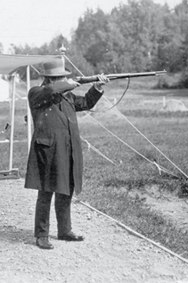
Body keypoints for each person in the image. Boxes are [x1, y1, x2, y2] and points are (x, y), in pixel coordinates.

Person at [24, 57, 109, 249]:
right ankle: (41, 234)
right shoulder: (37, 93)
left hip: (68, 150)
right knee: (45, 193)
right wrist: (69, 84)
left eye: (63, 77)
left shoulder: (67, 96)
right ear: (49, 79)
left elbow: (86, 102)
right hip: (47, 151)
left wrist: (97, 87)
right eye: (59, 77)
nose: (61, 79)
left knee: (66, 190)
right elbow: (50, 91)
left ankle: (64, 230)